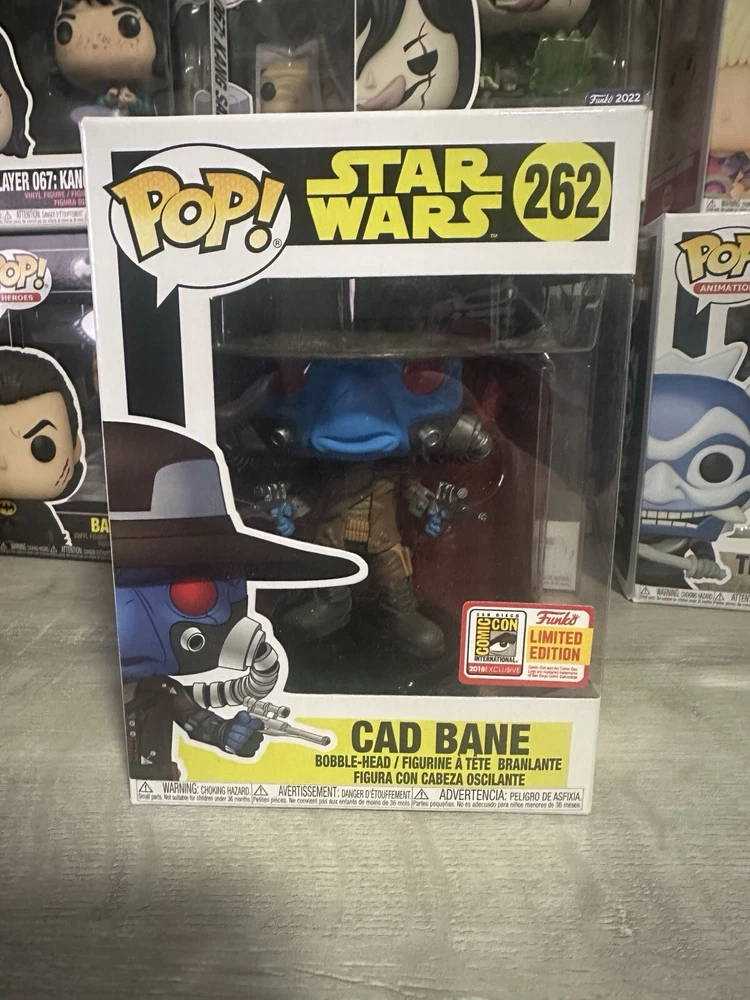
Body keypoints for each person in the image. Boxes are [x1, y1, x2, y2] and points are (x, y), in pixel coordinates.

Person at [0, 348, 85, 550]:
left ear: (75, 448)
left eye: (42, 446)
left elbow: (60, 548)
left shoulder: (40, 515)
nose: (2, 461)